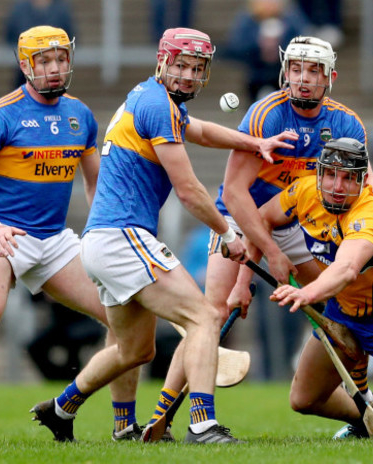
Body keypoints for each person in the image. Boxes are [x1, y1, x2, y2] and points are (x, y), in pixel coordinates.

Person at [29, 27, 295, 444]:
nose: (188, 75)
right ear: (162, 62)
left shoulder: (151, 99)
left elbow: (203, 131)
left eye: (197, 68)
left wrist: (254, 141)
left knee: (135, 350)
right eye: (181, 65)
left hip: (100, 242)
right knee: (205, 316)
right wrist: (227, 234)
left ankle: (65, 409)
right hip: (123, 238)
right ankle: (203, 425)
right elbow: (189, 190)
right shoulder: (157, 105)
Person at [147, 36, 373, 437]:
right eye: (297, 69)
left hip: (297, 223)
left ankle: (364, 401)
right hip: (241, 218)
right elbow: (234, 193)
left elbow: (363, 176)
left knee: (342, 306)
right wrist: (257, 263)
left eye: (315, 71)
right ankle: (179, 418)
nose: (304, 79)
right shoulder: (266, 114)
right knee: (211, 313)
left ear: (330, 77)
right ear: (285, 72)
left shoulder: (345, 122)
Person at [0, 25, 140, 445]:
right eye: (44, 61)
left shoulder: (80, 116)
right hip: (3, 232)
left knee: (125, 316)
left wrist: (107, 231)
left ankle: (124, 426)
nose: (55, 69)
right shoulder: (1, 114)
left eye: (61, 59)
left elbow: (95, 186)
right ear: (25, 65)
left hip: (54, 239)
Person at [231, 137, 373, 439]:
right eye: (331, 174)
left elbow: (346, 269)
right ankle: (366, 418)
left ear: (363, 181)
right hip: (343, 314)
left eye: (348, 178)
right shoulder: (305, 191)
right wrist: (247, 280)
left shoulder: (370, 212)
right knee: (303, 399)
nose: (337, 185)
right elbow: (260, 220)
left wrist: (305, 293)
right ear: (320, 174)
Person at [223, 0, 307, 103]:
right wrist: (258, 46)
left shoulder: (291, 19)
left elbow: (303, 42)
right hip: (256, 74)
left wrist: (280, 49)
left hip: (284, 73)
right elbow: (236, 45)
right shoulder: (248, 19)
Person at [4, 0, 76, 88]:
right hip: (23, 75)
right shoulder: (20, 8)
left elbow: (70, 37)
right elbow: (10, 37)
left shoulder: (61, 8)